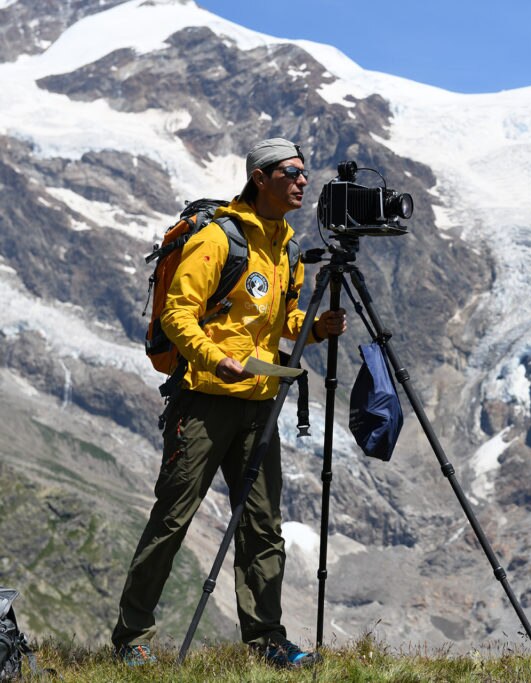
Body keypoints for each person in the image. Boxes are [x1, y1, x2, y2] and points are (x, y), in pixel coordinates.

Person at [111, 138, 346, 668]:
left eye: (304, 173)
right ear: (260, 178)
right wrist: (213, 358)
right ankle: (131, 637)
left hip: (259, 403)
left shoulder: (285, 245)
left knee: (263, 525)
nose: (302, 181)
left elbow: (278, 321)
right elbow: (178, 312)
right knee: (173, 517)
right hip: (203, 401)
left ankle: (266, 641)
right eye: (291, 173)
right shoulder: (221, 237)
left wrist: (313, 330)